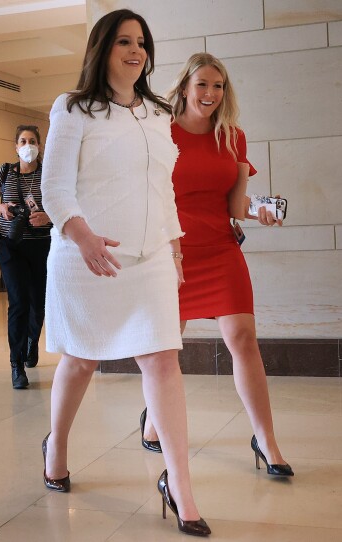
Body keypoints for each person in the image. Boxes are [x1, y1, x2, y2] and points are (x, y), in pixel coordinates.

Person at [40, 9, 210, 537]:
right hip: (87, 254)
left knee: (162, 360)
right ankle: (58, 443)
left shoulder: (159, 113)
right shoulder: (73, 109)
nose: (135, 51)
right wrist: (83, 235)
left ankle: (179, 484)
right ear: (101, 50)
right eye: (123, 42)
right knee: (82, 360)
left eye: (141, 43)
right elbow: (55, 189)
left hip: (153, 255)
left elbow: (164, 191)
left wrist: (177, 250)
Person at [140, 52, 292, 478]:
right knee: (166, 347)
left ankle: (266, 441)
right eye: (202, 84)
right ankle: (152, 420)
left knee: (243, 338)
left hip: (220, 248)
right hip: (170, 250)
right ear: (185, 86)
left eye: (218, 86)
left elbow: (234, 204)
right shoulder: (159, 132)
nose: (210, 94)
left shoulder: (233, 137)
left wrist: (259, 210)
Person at [0, 125, 51, 389]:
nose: (28, 145)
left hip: (42, 245)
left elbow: (66, 205)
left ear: (40, 146)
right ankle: (16, 364)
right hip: (11, 245)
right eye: (23, 140)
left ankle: (33, 340)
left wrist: (48, 216)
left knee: (38, 303)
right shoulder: (5, 172)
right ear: (15, 146)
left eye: (32, 141)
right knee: (18, 302)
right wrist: (1, 207)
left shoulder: (48, 173)